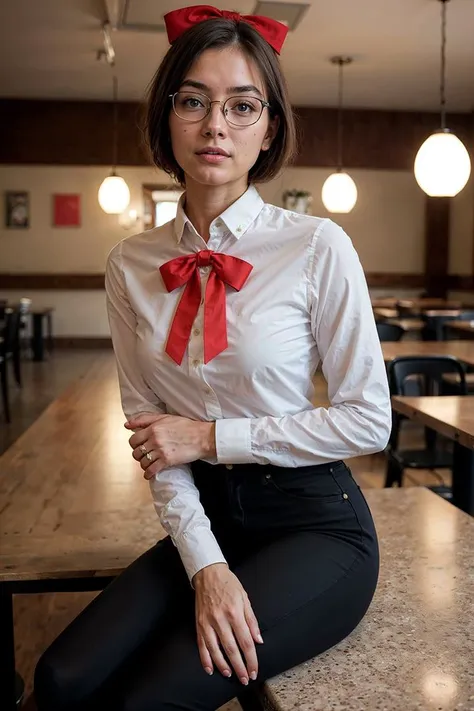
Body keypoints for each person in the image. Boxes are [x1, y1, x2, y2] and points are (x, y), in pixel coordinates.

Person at [34, 5, 391, 710]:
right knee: (60, 678)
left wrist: (209, 438)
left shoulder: (317, 246)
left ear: (270, 128)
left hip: (315, 523)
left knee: (152, 697)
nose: (215, 124)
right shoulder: (129, 264)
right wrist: (207, 566)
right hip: (209, 514)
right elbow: (150, 433)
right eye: (194, 100)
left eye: (242, 104)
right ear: (168, 116)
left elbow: (368, 420)